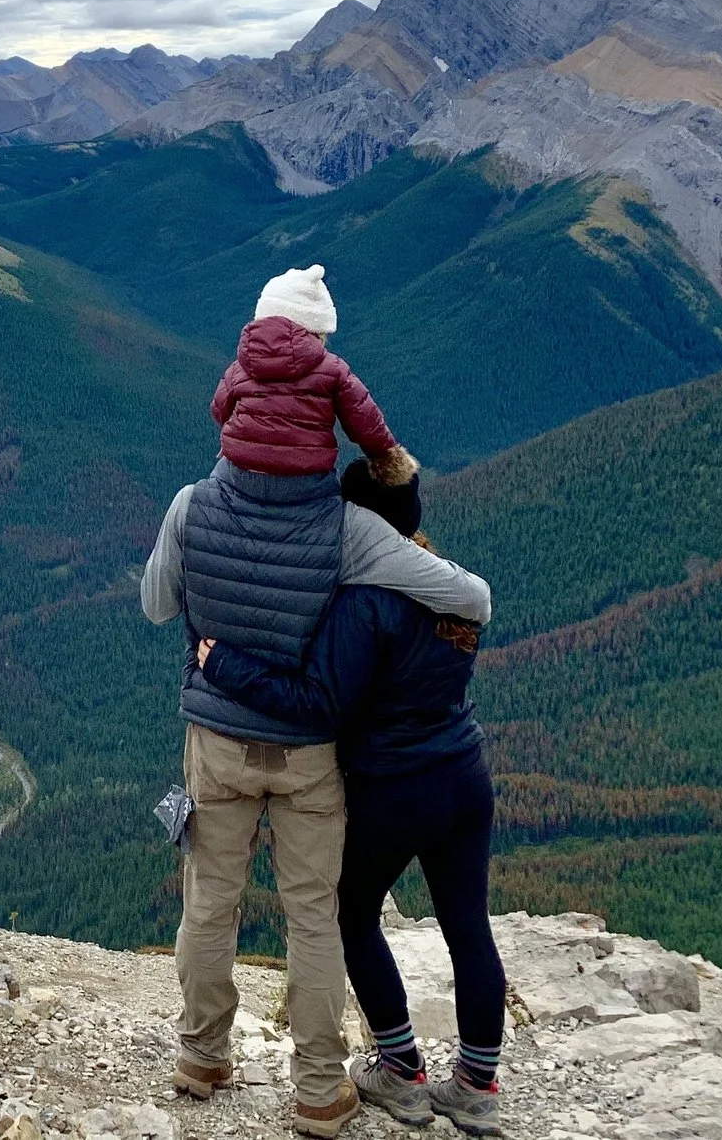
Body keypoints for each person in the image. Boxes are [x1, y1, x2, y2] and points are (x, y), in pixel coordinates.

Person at [142, 421, 490, 1137]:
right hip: (436, 772)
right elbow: (467, 603)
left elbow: (318, 699)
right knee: (387, 922)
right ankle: (396, 1087)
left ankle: (219, 1057)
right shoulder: (440, 595)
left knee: (255, 906)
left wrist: (220, 661)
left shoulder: (360, 603)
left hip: (329, 770)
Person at [213, 264, 417, 488]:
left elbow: (219, 410)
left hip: (240, 476)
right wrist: (387, 459)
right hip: (307, 484)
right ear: (317, 328)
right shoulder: (334, 369)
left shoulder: (239, 367)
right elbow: (365, 421)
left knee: (203, 491)